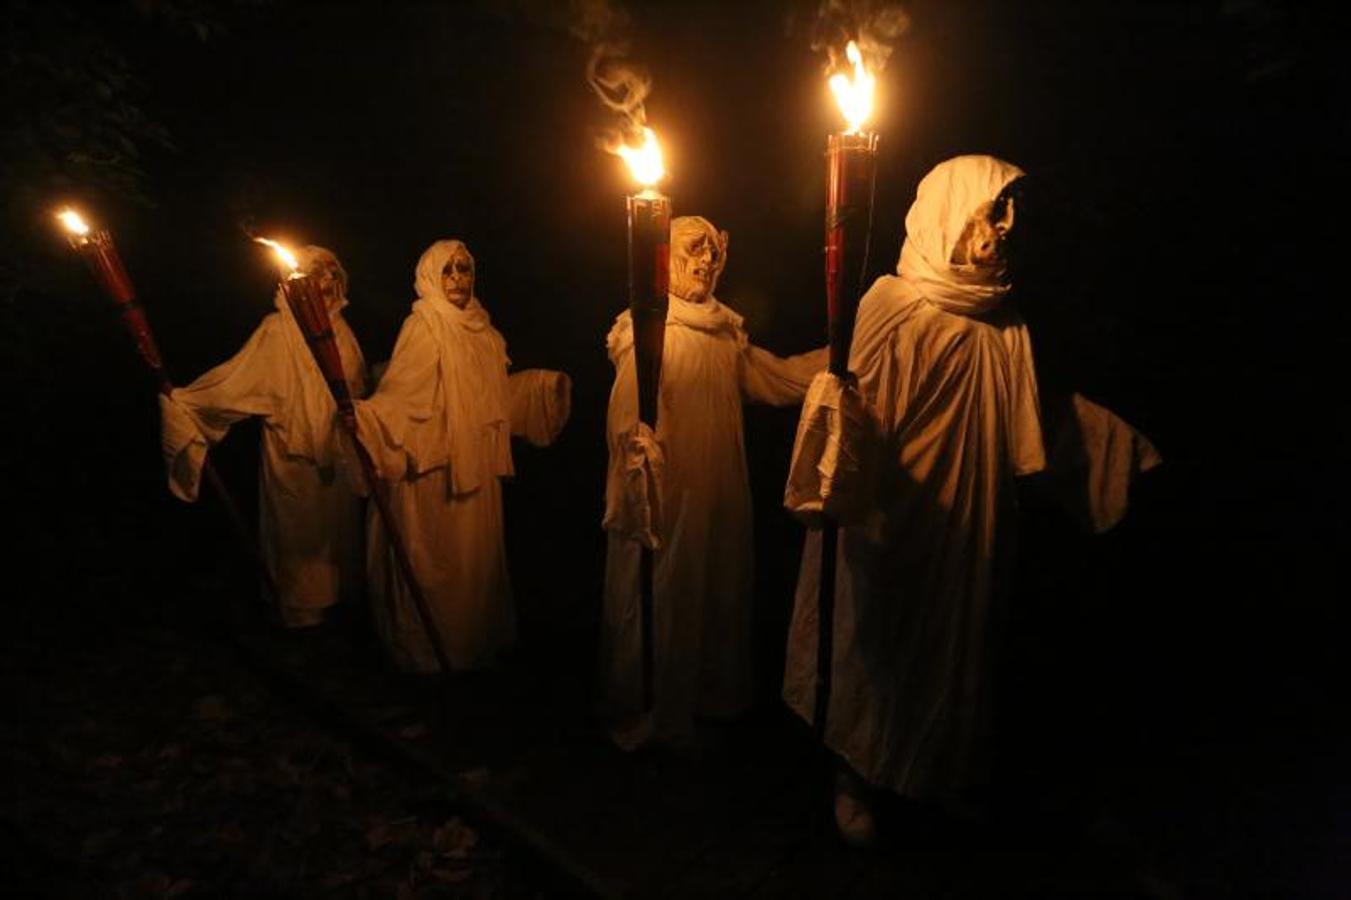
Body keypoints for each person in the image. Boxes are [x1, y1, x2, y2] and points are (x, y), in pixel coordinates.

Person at [783, 155, 1048, 843]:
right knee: (877, 643)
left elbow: (1020, 434)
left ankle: (939, 770)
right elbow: (854, 421)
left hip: (971, 521)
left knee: (954, 647)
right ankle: (855, 773)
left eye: (1010, 213)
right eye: (990, 211)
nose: (1002, 228)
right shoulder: (891, 305)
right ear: (948, 214)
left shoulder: (1004, 320)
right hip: (895, 514)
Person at [600, 215, 826, 750]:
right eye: (692, 251)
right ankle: (652, 706)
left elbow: (777, 378)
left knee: (715, 584)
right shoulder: (647, 333)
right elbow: (625, 420)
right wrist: (639, 460)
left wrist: (843, 358)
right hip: (671, 493)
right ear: (664, 258)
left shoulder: (724, 335)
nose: (705, 262)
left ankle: (707, 696)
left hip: (720, 486)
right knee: (666, 589)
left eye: (713, 254)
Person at [352, 239, 571, 672]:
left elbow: (489, 400)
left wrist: (538, 388)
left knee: (474, 568)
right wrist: (365, 418)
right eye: (448, 270)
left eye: (465, 269)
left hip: (477, 473)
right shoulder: (424, 327)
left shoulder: (485, 333)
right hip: (434, 474)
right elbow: (402, 395)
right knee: (432, 564)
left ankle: (472, 648)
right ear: (431, 276)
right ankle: (427, 656)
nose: (457, 279)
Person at [160, 245, 367, 627]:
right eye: (314, 272)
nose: (325, 279)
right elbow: (238, 381)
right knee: (297, 533)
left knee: (335, 535)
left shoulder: (343, 332)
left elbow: (355, 389)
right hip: (292, 457)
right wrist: (190, 401)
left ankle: (341, 606)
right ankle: (300, 612)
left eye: (331, 272)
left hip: (337, 454)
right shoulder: (276, 331)